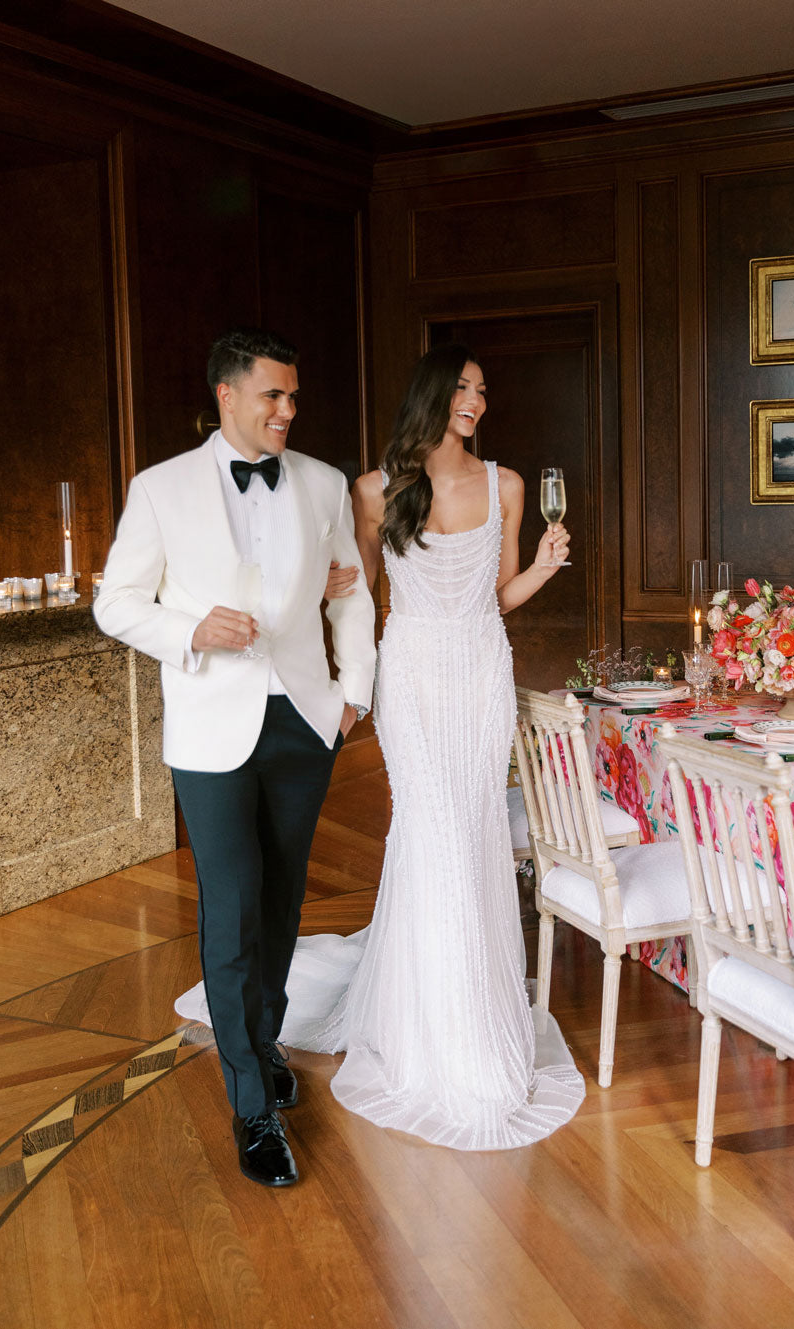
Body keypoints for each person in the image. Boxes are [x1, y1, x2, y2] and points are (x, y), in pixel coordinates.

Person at [177, 341, 586, 1150]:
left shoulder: (505, 483)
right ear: (432, 395)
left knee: (471, 834)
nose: (475, 401)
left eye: (482, 389)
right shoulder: (372, 490)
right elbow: (356, 600)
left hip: (477, 674)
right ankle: (425, 1027)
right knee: (427, 832)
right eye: (463, 388)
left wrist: (540, 566)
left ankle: (475, 1012)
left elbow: (494, 599)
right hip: (413, 677)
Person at [95, 327, 376, 1187]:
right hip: (211, 729)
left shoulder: (325, 483)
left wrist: (354, 688)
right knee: (231, 910)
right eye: (273, 396)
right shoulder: (161, 488)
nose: (288, 410)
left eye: (294, 397)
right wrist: (191, 631)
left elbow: (350, 589)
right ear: (228, 394)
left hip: (302, 722)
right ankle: (252, 1105)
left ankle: (262, 1039)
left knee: (284, 901)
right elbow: (114, 603)